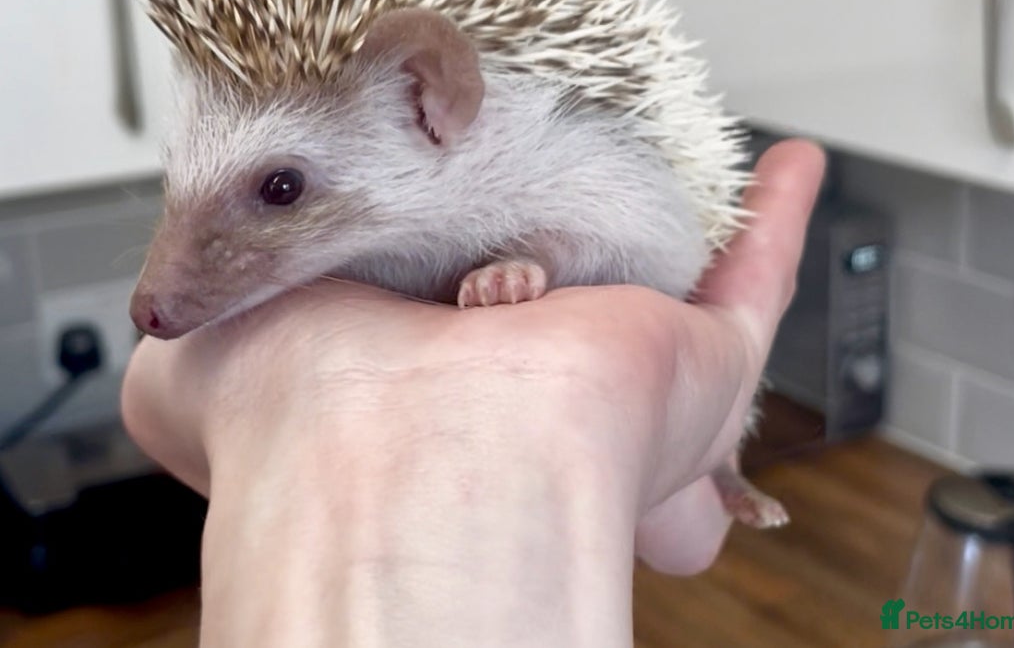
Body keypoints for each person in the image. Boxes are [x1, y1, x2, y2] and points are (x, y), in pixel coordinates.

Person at [122, 139, 825, 647]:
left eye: (280, 188)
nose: (152, 299)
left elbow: (636, 231)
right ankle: (682, 469)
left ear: (430, 102)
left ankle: (709, 468)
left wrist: (539, 257)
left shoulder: (548, 161)